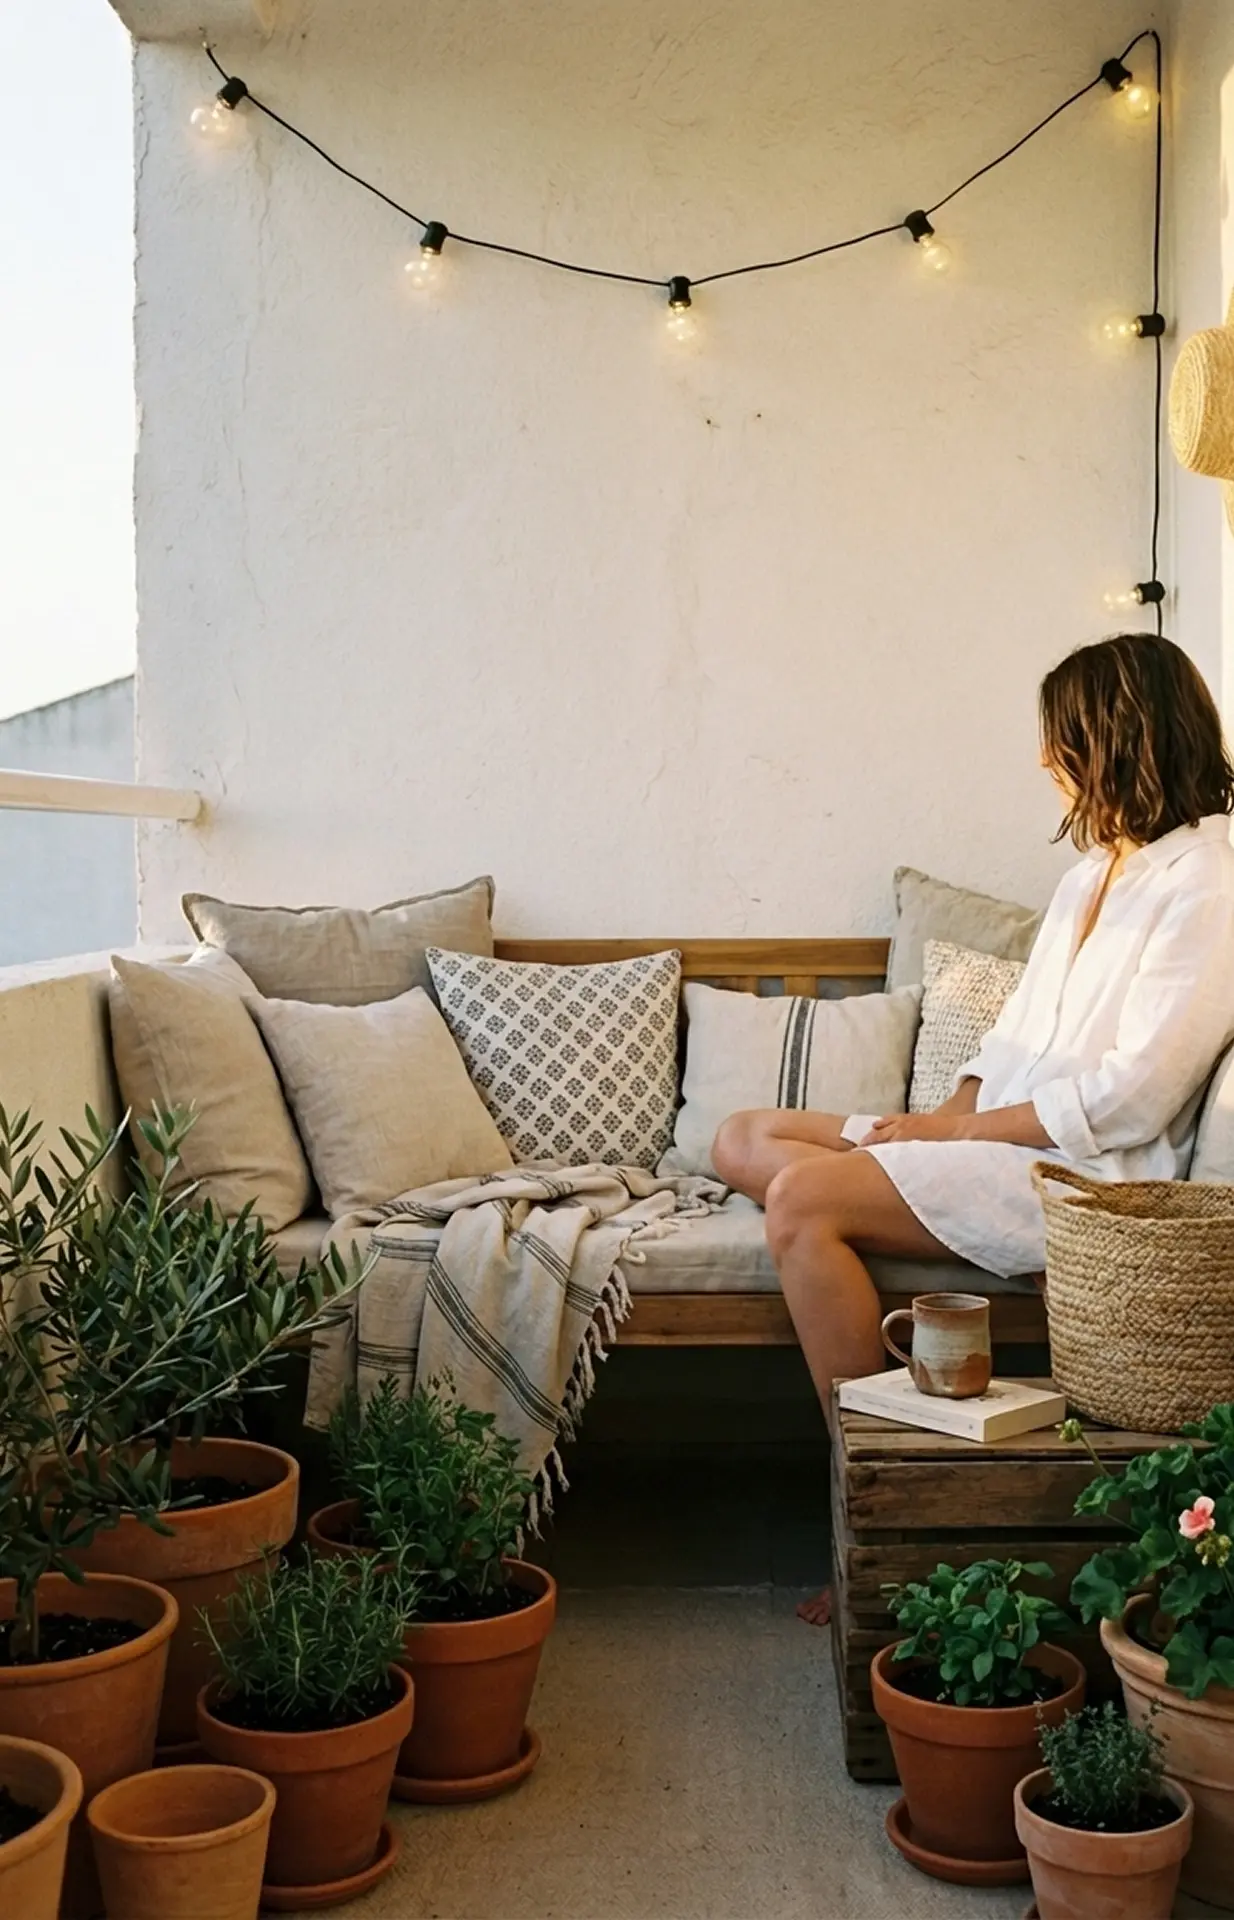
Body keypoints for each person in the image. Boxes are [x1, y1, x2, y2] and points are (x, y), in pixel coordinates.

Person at [712, 633, 1234, 1624]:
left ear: (1117, 738)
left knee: (798, 1199)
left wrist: (962, 1141)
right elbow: (1012, 1035)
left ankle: (875, 1497)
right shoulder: (1091, 876)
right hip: (991, 1135)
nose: (1047, 763)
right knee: (742, 1134)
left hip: (1074, 1172)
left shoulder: (1206, 882)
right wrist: (938, 1119)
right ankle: (910, 1372)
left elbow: (1132, 1096)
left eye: (1062, 741)